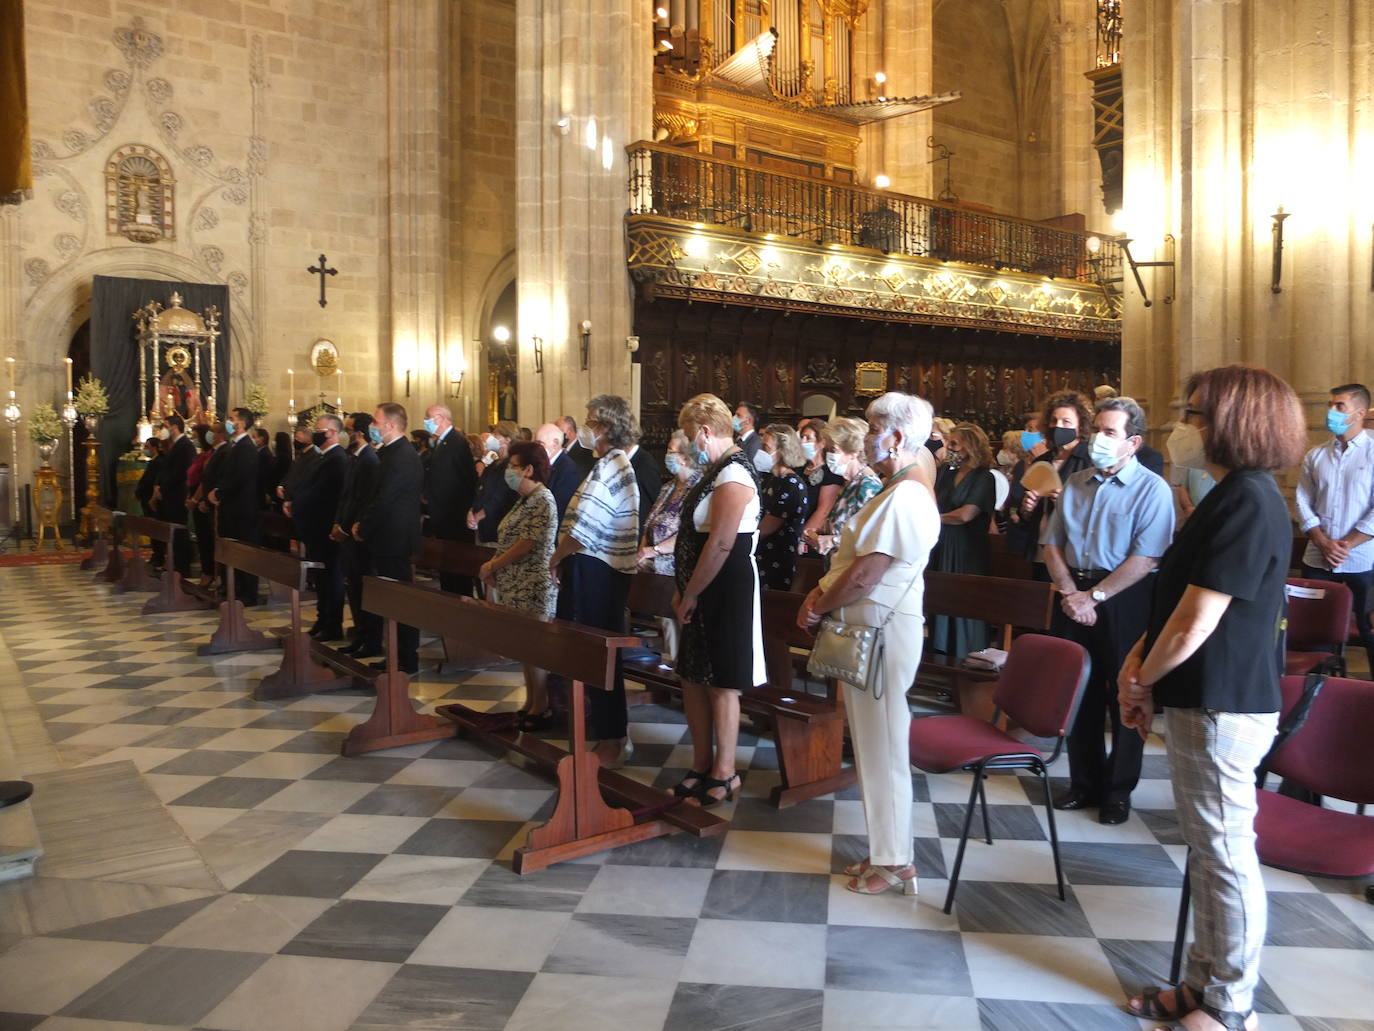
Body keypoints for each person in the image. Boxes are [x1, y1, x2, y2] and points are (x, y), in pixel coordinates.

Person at [1118, 365, 1307, 1031]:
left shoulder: (1251, 498)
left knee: (1226, 855)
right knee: (1208, 851)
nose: (1185, 426)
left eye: (1195, 413)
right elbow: (1177, 601)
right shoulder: (1230, 495)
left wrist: (1142, 678)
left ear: (1232, 423)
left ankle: (1231, 1005)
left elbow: (1199, 619)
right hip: (1203, 696)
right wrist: (1139, 660)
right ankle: (1201, 982)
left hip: (1226, 702)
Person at [797, 392, 940, 895]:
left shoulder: (905, 495)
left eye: (876, 427)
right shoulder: (894, 488)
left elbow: (865, 573)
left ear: (897, 437)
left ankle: (896, 861)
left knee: (882, 748)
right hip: (870, 630)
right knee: (875, 746)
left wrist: (817, 604)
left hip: (882, 631)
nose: (867, 436)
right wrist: (820, 593)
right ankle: (887, 852)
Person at [1041, 397, 1175, 824]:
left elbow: (1146, 558)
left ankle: (1118, 789)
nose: (1099, 438)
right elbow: (1052, 544)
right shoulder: (1076, 481)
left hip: (1122, 595)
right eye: (1097, 428)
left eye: (1110, 432)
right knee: (1078, 689)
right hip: (1071, 592)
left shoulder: (1153, 489)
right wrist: (1069, 591)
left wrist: (1094, 596)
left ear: (1132, 442)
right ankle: (1084, 782)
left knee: (1126, 692)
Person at [670, 393, 765, 806]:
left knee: (723, 681)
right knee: (694, 676)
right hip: (702, 585)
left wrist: (692, 591)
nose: (690, 443)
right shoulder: (715, 471)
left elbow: (723, 542)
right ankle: (701, 763)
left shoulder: (735, 475)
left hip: (725, 587)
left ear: (706, 432)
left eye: (691, 435)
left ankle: (725, 773)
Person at [548, 395, 642, 767]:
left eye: (591, 421)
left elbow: (585, 526)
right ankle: (605, 733)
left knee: (598, 656)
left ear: (604, 426)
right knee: (589, 655)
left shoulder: (612, 465)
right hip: (593, 569)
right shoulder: (606, 463)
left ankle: (614, 738)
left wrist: (556, 557)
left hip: (598, 571)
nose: (587, 428)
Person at [479, 441, 559, 729]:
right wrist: (496, 567)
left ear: (528, 469)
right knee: (525, 648)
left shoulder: (542, 499)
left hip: (533, 584)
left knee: (535, 647)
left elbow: (527, 543)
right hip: (515, 582)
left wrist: (493, 565)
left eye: (513, 466)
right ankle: (530, 701)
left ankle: (542, 706)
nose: (509, 472)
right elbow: (511, 538)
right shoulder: (523, 499)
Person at [1295, 382, 1374, 672]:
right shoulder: (1316, 455)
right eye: (1330, 405)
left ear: (1359, 413)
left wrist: (1347, 545)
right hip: (1318, 556)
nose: (1332, 411)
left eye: (1339, 406)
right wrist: (1322, 541)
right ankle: (1316, 691)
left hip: (1362, 559)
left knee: (1368, 628)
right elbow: (1303, 500)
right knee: (1313, 628)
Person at [352, 403, 424, 674]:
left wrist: (364, 526)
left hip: (395, 538)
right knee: (391, 598)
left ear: (391, 425)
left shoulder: (402, 455)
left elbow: (386, 499)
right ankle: (396, 652)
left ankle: (406, 657)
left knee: (400, 600)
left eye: (376, 421)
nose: (373, 425)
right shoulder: (392, 452)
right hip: (387, 536)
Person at [928, 423, 998, 659]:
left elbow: (966, 515)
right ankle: (941, 659)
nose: (949, 448)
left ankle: (967, 660)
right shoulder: (946, 473)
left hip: (968, 549)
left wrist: (932, 518)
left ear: (970, 446)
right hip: (942, 545)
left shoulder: (984, 477)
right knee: (941, 601)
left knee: (964, 604)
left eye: (954, 444)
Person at [1008, 390, 1094, 578]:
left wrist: (1066, 504)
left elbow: (1095, 510)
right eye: (1054, 421)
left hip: (1071, 553)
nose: (1058, 426)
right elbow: (1025, 515)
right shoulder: (1043, 461)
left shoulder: (1089, 461)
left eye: (1066, 422)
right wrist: (1027, 509)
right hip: (1040, 549)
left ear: (1081, 426)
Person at [292, 414, 349, 641]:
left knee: (331, 577)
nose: (316, 432)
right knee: (321, 579)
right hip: (315, 528)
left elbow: (323, 494)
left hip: (326, 528)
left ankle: (332, 624)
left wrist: (300, 501)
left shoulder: (337, 459)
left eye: (320, 429)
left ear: (332, 433)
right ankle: (322, 618)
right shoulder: (321, 457)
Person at [804, 416, 881, 558]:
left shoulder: (868, 486)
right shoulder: (848, 482)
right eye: (828, 449)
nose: (829, 455)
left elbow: (873, 537)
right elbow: (846, 525)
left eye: (834, 450)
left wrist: (833, 540)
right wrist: (822, 531)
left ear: (854, 452)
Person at [335, 413, 380, 651]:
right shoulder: (355, 458)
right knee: (352, 586)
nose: (345, 433)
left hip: (359, 535)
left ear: (359, 433)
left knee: (362, 587)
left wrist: (346, 527)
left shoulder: (370, 460)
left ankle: (371, 639)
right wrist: (338, 523)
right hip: (348, 532)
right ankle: (361, 635)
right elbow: (346, 496)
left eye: (348, 429)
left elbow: (364, 500)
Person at [209, 407, 264, 605]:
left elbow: (239, 477)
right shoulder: (234, 446)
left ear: (240, 423)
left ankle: (247, 592)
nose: (229, 422)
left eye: (231, 419)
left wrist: (219, 492)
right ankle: (234, 586)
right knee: (233, 548)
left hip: (242, 509)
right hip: (232, 507)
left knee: (244, 551)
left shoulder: (246, 447)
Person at [422, 403, 478, 594]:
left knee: (457, 569)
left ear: (441, 418)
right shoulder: (441, 442)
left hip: (453, 517)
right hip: (443, 515)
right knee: (446, 568)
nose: (426, 421)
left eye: (429, 417)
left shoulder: (456, 441)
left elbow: (463, 480)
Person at [637, 431, 701, 575]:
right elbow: (650, 522)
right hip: (650, 567)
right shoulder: (668, 487)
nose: (667, 456)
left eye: (671, 452)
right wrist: (642, 552)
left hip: (676, 569)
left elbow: (689, 532)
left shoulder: (698, 488)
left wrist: (654, 551)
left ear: (685, 458)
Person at [757, 423, 810, 590]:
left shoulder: (791, 483)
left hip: (778, 556)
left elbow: (769, 525)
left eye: (766, 447)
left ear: (782, 451)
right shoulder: (770, 479)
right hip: (762, 552)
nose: (761, 452)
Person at [155, 414, 196, 578]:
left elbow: (180, 472)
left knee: (179, 530)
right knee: (172, 529)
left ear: (174, 427)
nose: (164, 430)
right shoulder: (174, 446)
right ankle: (174, 563)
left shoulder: (186, 446)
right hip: (171, 494)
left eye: (165, 426)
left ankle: (182, 566)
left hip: (178, 494)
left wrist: (164, 487)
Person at [468, 420, 519, 544]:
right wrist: (471, 510)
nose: (492, 438)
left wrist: (478, 516)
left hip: (497, 528)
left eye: (496, 435)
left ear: (507, 439)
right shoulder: (493, 464)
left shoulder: (512, 465)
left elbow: (501, 497)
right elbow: (480, 489)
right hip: (481, 526)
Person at [798, 417, 843, 534]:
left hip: (808, 532)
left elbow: (824, 510)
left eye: (808, 438)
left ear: (822, 442)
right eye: (802, 437)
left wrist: (802, 536)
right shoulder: (799, 468)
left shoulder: (830, 472)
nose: (802, 442)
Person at [536, 422, 584, 523]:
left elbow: (558, 509)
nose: (536, 449)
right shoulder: (542, 464)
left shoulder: (568, 470)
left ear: (555, 444)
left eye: (540, 444)